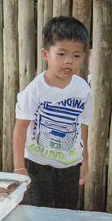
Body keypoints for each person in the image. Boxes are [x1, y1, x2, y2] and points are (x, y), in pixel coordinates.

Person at [13, 16, 91, 210]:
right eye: (62, 53)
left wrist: (85, 161)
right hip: (38, 164)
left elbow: (83, 125)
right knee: (40, 212)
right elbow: (20, 128)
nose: (68, 61)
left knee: (68, 213)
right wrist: (19, 167)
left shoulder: (83, 89)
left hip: (70, 165)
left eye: (76, 55)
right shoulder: (35, 89)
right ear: (45, 54)